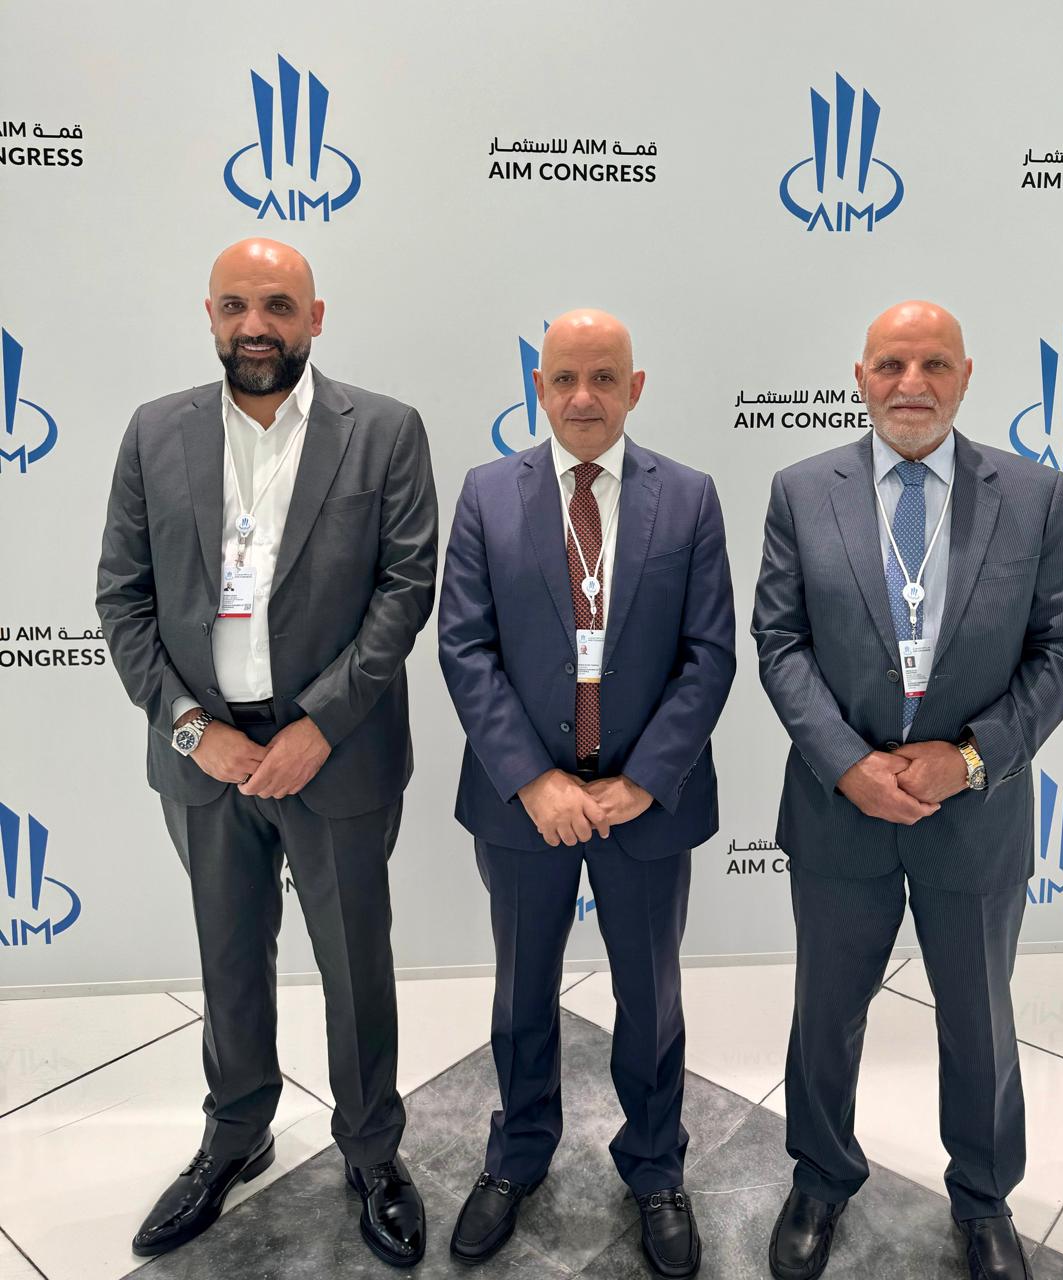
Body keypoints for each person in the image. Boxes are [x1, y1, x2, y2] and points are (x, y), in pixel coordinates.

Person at [96, 238, 437, 1268]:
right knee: (230, 957)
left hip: (336, 753)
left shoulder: (384, 430)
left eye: (279, 305)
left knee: (355, 963)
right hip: (204, 759)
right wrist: (192, 730)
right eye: (237, 305)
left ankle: (371, 1149)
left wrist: (318, 725)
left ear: (315, 317)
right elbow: (123, 598)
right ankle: (235, 1132)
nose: (257, 325)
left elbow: (404, 591)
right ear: (210, 315)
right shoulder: (155, 432)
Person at [752, 301, 1063, 1280]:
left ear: (966, 375)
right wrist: (846, 762)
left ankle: (983, 1198)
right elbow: (779, 641)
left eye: (935, 363)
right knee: (825, 1011)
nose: (913, 383)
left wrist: (972, 758)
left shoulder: (1033, 493)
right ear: (860, 377)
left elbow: (1062, 648)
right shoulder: (800, 490)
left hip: (973, 814)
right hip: (838, 809)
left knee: (978, 1019)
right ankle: (820, 1178)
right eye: (892, 363)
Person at [438, 309, 735, 1278]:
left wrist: (645, 780)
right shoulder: (487, 494)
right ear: (538, 385)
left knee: (650, 996)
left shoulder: (688, 498)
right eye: (564, 377)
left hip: (645, 804)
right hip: (526, 802)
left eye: (604, 378)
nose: (583, 397)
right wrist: (534, 779)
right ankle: (518, 1152)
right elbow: (465, 647)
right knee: (522, 990)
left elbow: (709, 656)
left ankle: (655, 1164)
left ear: (634, 388)